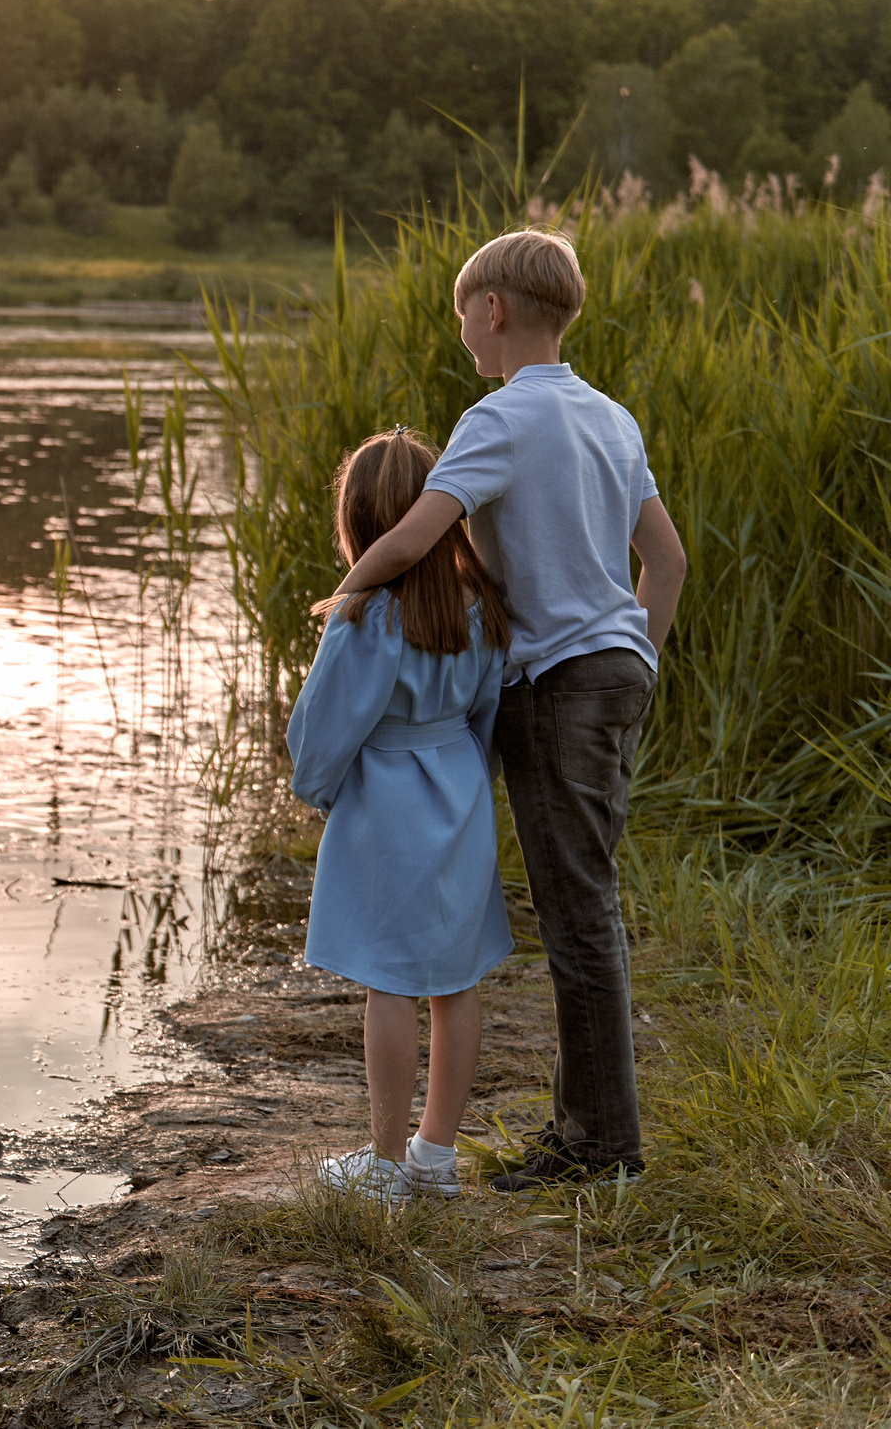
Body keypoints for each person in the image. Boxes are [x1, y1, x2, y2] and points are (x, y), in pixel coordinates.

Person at [332, 229, 686, 1192]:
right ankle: (589, 1128)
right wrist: (637, 661)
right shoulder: (611, 418)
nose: (461, 338)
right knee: (587, 903)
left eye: (461, 317)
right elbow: (669, 563)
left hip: (559, 686)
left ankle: (600, 1146)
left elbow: (414, 535)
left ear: (493, 309)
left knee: (578, 918)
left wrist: (346, 596)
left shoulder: (496, 419)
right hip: (615, 671)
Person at [289, 430, 513, 1204]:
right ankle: (435, 1155)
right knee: (455, 980)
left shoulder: (365, 616)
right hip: (458, 792)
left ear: (355, 520)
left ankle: (384, 1161)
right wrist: (469, 777)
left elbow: (326, 723)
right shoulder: (480, 609)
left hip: (385, 800)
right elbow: (491, 716)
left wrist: (317, 788)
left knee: (389, 982)